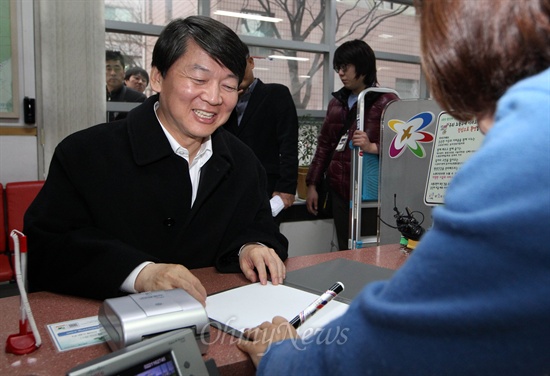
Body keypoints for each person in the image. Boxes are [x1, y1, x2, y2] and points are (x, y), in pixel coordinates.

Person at [237, 0, 550, 374]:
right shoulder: (339, 104)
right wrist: (317, 180)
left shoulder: (525, 152)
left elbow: (404, 332)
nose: (484, 128)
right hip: (341, 187)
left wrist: (284, 357)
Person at [25, 16, 289, 306]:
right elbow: (48, 246)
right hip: (105, 323)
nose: (214, 98)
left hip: (218, 318)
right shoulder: (85, 153)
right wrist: (140, 273)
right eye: (199, 79)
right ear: (158, 77)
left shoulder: (243, 161)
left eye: (228, 86)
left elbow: (259, 224)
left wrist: (251, 246)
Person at [305, 39, 398, 250]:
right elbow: (324, 146)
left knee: (372, 250)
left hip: (372, 193)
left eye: (346, 67)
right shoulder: (336, 103)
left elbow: (401, 149)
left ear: (363, 67)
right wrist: (312, 184)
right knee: (345, 248)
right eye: (338, 67)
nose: (341, 73)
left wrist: (373, 147)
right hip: (340, 189)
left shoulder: (387, 101)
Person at [224, 48, 298, 218]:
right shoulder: (222, 101)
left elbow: (289, 144)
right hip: (229, 187)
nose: (235, 74)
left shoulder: (276, 94)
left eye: (239, 67)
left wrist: (286, 187)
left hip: (267, 187)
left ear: (250, 62)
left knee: (265, 240)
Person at [105, 50, 146, 122]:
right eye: (108, 69)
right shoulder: (95, 98)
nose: (113, 73)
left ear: (124, 72)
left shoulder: (138, 98)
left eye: (117, 68)